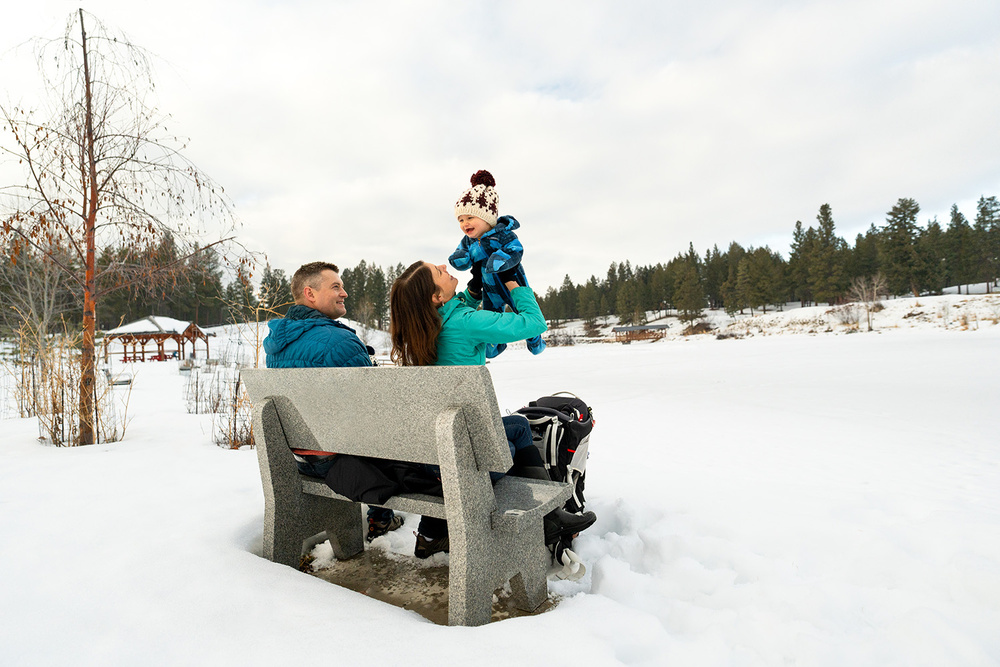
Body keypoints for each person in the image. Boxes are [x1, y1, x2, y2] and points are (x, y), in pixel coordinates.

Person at [387, 260, 597, 558]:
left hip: (429, 452)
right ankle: (549, 517)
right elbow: (534, 323)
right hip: (464, 461)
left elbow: (454, 315)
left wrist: (472, 291)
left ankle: (431, 535)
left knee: (517, 426)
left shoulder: (421, 329)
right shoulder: (464, 323)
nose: (444, 266)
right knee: (512, 438)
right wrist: (514, 283)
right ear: (436, 297)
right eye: (438, 271)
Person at [262, 261, 414, 542]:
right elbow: (376, 409)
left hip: (302, 458)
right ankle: (382, 519)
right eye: (336, 287)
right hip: (339, 459)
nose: (344, 293)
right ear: (310, 294)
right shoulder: (339, 341)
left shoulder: (276, 345)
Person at [448, 169, 545, 358]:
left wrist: (500, 260)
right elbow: (462, 256)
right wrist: (461, 258)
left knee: (524, 313)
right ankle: (495, 347)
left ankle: (536, 343)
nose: (464, 223)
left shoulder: (502, 235)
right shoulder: (469, 241)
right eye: (460, 219)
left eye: (470, 218)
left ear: (487, 218)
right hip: (489, 289)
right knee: (491, 320)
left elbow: (515, 250)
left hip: (512, 285)